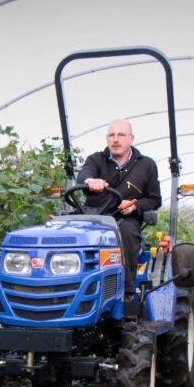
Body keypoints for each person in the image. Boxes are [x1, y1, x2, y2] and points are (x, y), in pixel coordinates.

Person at [76, 119, 162, 299]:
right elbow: (85, 174)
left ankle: (126, 294)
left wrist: (135, 206)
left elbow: (154, 199)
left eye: (121, 135)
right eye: (111, 135)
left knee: (126, 232)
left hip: (123, 218)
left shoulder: (146, 165)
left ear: (131, 138)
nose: (116, 139)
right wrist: (90, 181)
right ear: (107, 139)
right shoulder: (96, 159)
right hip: (93, 216)